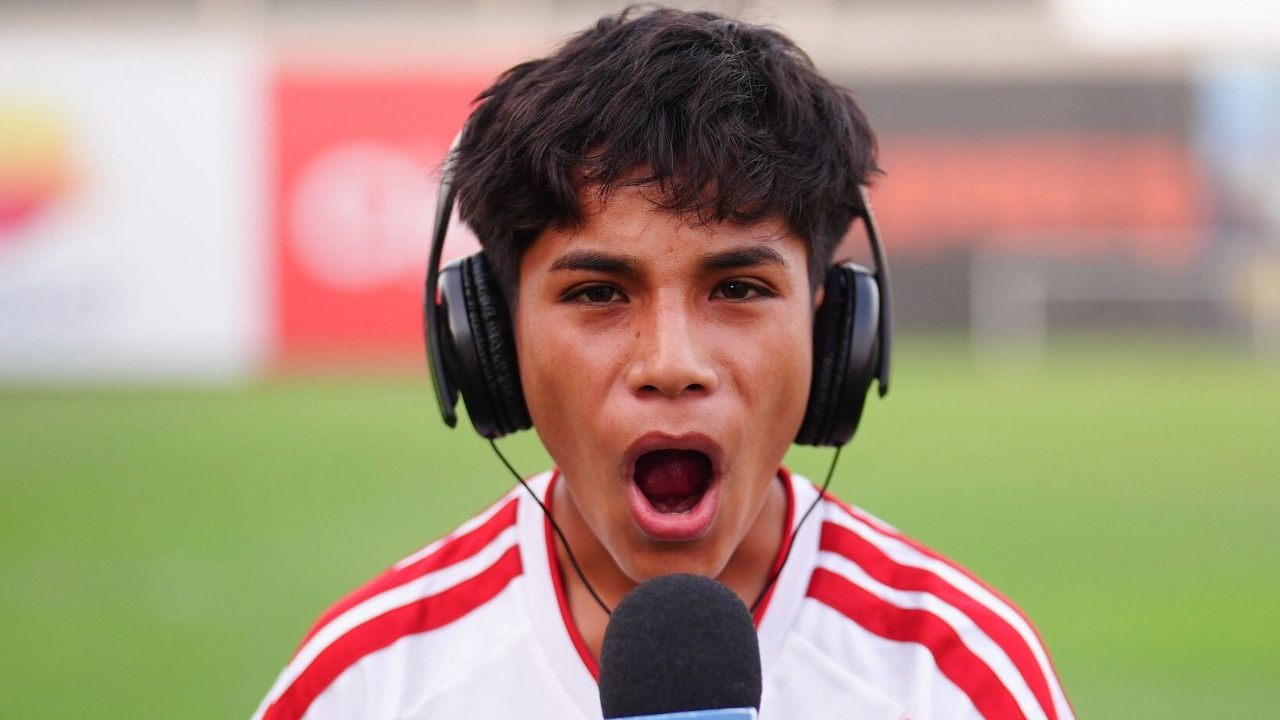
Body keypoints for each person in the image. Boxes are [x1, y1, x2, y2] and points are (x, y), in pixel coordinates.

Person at [253, 7, 1074, 720]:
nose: (672, 364)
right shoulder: (365, 686)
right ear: (492, 344)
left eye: (740, 287)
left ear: (833, 336)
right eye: (600, 294)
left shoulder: (959, 682)